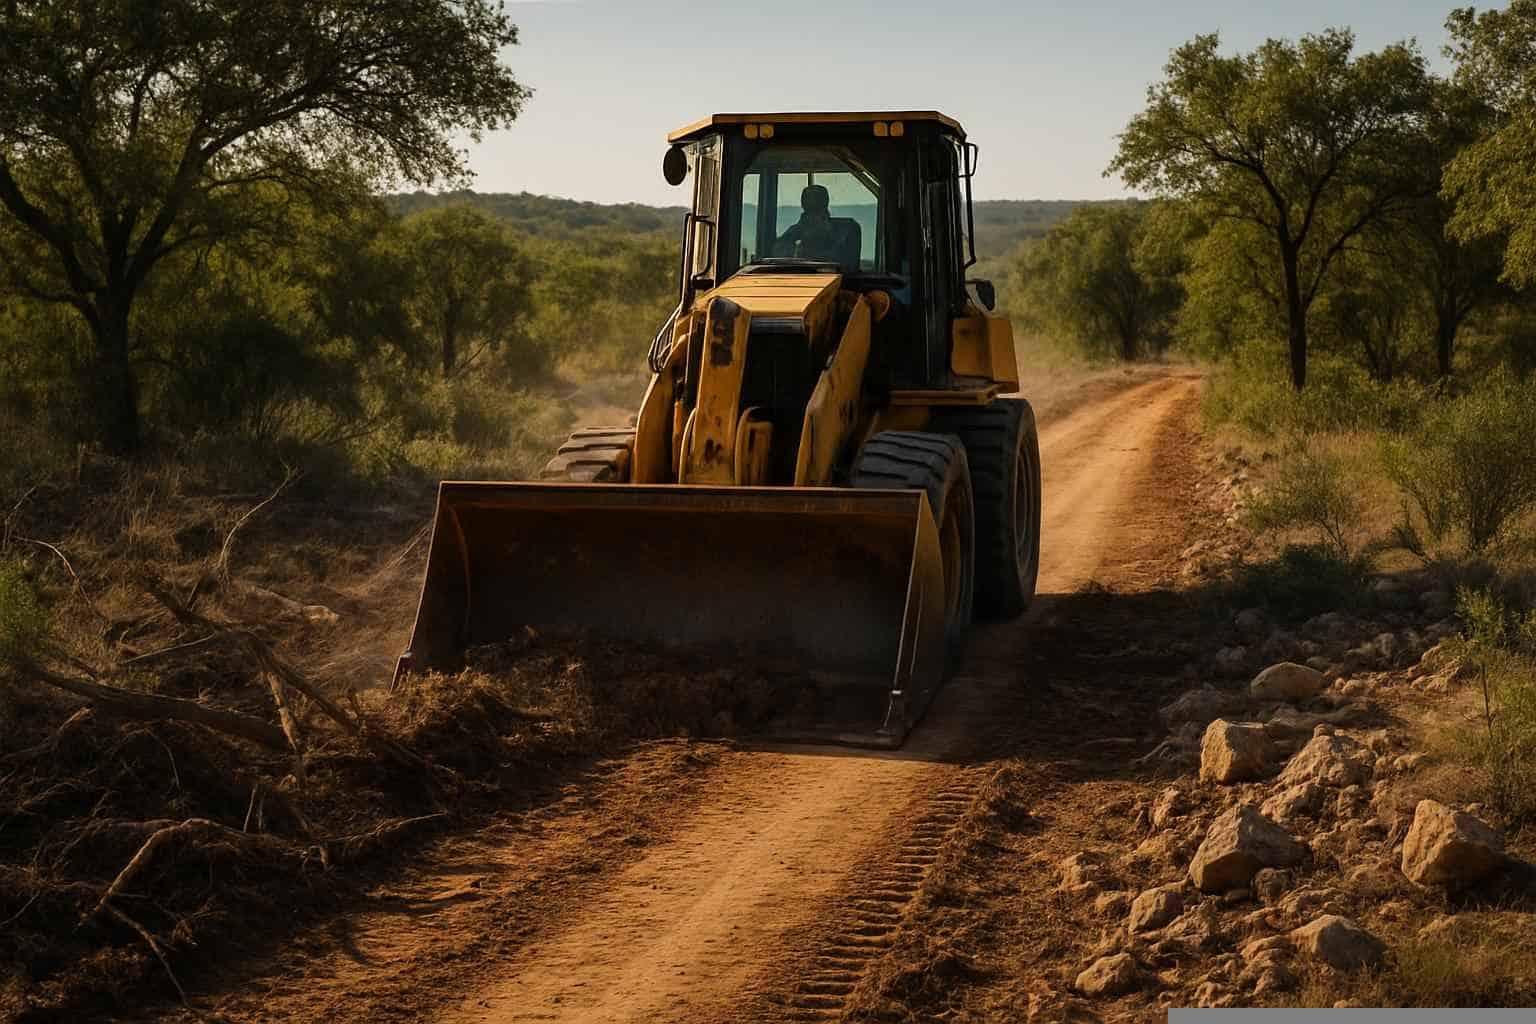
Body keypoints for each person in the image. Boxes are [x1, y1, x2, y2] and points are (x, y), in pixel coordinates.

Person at [774, 184, 844, 262]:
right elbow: (778, 256)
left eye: (817, 205)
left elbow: (842, 263)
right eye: (810, 208)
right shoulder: (795, 232)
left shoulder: (842, 233)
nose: (813, 217)